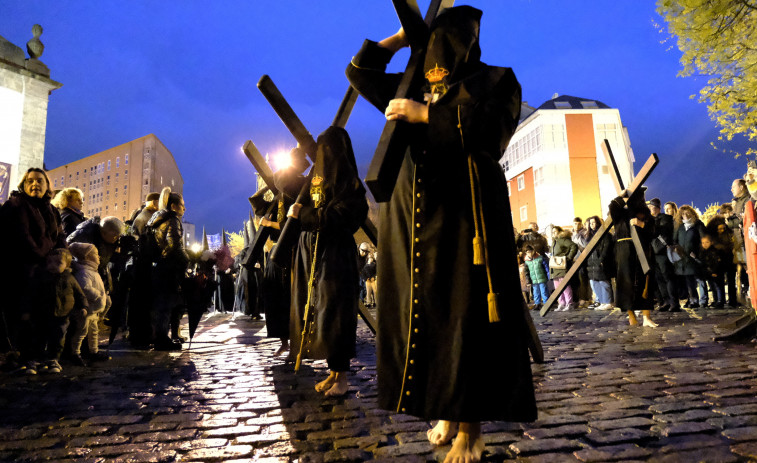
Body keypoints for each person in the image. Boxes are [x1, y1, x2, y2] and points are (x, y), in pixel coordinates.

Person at [347, 7, 536, 462]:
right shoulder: (411, 80)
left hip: (466, 217)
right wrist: (396, 39)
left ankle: (471, 426)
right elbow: (358, 73)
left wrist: (425, 114)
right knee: (427, 315)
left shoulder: (496, 80)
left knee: (464, 314)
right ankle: (445, 411)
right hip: (412, 218)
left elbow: (490, 136)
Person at [278, 126, 368, 397]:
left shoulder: (349, 184)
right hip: (311, 257)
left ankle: (342, 377)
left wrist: (304, 214)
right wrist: (295, 158)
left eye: (327, 149)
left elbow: (339, 217)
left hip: (335, 258)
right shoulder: (315, 180)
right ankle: (332, 372)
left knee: (335, 314)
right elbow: (282, 182)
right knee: (317, 314)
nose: (323, 155)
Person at [0, 168, 66, 363]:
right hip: (21, 270)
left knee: (43, 315)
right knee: (22, 315)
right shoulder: (15, 205)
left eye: (39, 180)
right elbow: (22, 236)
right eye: (30, 181)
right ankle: (19, 357)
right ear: (23, 184)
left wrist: (62, 257)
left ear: (47, 185)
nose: (35, 184)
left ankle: (38, 356)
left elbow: (60, 237)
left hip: (47, 270)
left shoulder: (52, 210)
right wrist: (42, 257)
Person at [18, 248, 88, 374]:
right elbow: (30, 295)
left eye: (58, 263)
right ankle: (36, 360)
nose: (52, 266)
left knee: (58, 338)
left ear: (67, 265)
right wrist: (26, 311)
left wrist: (83, 307)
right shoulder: (40, 278)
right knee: (39, 336)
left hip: (62, 314)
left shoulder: (70, 278)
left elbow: (79, 294)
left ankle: (53, 359)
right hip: (41, 314)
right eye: (49, 262)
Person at [147, 187, 188, 350]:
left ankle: (160, 336)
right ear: (173, 206)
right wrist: (187, 261)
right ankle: (162, 339)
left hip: (159, 267)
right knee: (167, 304)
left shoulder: (157, 219)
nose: (184, 208)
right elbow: (174, 245)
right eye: (182, 205)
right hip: (170, 267)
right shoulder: (172, 220)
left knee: (161, 305)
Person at [609, 189, 657, 327]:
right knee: (626, 284)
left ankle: (646, 317)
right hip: (624, 252)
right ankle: (631, 316)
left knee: (645, 283)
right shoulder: (621, 214)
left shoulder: (645, 215)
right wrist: (621, 196)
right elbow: (612, 207)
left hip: (642, 252)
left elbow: (654, 232)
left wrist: (641, 224)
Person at [69, 242, 109, 364]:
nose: (98, 257)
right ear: (86, 257)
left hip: (94, 310)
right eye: (95, 254)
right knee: (81, 332)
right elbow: (85, 288)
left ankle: (94, 351)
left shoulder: (91, 271)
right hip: (87, 310)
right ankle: (75, 353)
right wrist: (98, 295)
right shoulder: (84, 272)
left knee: (94, 332)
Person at [673, 205, 708, 308]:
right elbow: (675, 240)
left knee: (700, 279)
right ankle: (694, 301)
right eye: (683, 214)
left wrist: (699, 254)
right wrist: (676, 249)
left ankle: (704, 300)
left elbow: (704, 240)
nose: (685, 216)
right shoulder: (680, 227)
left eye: (687, 213)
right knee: (689, 281)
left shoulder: (697, 225)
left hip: (695, 257)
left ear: (692, 214)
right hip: (684, 259)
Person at [648, 198, 680, 312]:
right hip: (653, 252)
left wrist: (662, 245)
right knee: (659, 278)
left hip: (662, 251)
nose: (649, 209)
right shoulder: (650, 220)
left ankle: (674, 302)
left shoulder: (665, 218)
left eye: (651, 207)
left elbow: (661, 233)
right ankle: (665, 301)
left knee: (668, 277)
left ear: (655, 207)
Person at [584, 216, 614, 310]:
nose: (592, 225)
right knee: (595, 282)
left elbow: (606, 247)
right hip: (591, 262)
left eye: (594, 222)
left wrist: (601, 259)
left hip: (601, 261)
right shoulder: (588, 236)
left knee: (603, 282)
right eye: (590, 223)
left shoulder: (605, 234)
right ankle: (602, 301)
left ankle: (608, 302)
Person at [550, 226, 578, 311]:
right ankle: (562, 303)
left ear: (559, 232)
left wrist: (568, 257)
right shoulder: (554, 242)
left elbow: (574, 246)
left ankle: (569, 303)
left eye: (555, 231)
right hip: (555, 267)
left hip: (562, 266)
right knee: (557, 287)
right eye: (552, 232)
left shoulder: (563, 240)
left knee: (565, 285)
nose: (553, 233)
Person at [697, 235, 725, 308]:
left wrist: (714, 271)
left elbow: (717, 262)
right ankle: (716, 300)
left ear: (711, 242)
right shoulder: (703, 252)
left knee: (718, 286)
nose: (704, 244)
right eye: (703, 243)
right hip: (709, 272)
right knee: (713, 286)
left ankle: (720, 301)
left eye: (707, 242)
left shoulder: (714, 251)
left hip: (715, 272)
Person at [524, 245, 550, 311]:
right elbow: (526, 272)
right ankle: (537, 303)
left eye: (530, 251)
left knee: (544, 291)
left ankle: (546, 304)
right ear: (526, 253)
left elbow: (546, 267)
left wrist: (548, 275)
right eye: (527, 252)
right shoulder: (527, 261)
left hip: (542, 277)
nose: (529, 253)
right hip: (534, 280)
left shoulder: (540, 258)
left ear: (533, 251)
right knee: (536, 292)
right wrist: (528, 281)